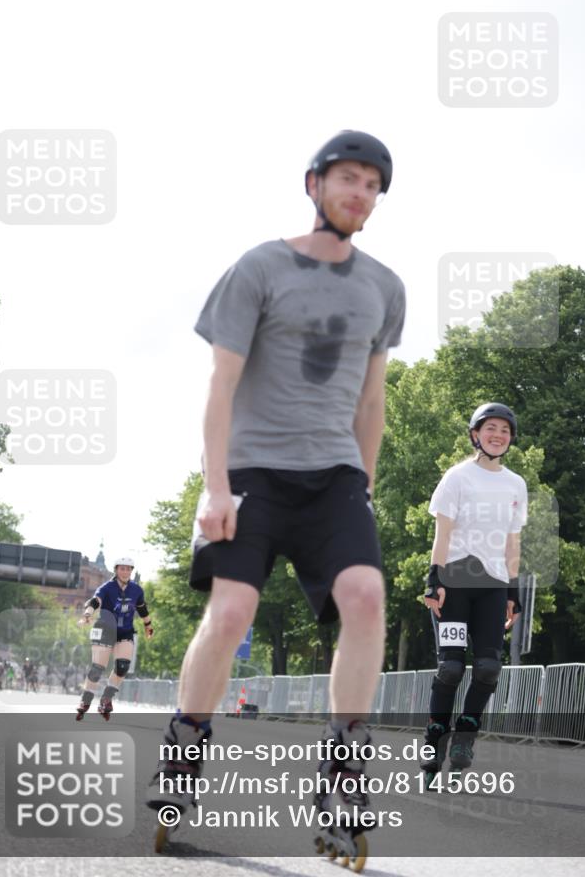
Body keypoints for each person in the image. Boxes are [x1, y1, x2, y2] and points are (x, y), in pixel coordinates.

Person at [147, 130, 406, 859]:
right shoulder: (259, 266)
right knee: (231, 612)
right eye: (348, 178)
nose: (359, 194)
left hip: (334, 479)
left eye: (372, 185)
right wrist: (214, 487)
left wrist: (364, 487)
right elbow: (220, 384)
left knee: (365, 597)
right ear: (314, 184)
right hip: (253, 472)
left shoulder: (385, 287)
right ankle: (184, 750)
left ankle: (342, 775)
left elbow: (372, 400)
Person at [421, 402, 528, 779]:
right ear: (475, 434)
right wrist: (434, 579)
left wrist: (513, 591)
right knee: (450, 668)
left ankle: (464, 737)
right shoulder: (457, 477)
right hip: (454, 582)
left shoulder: (516, 484)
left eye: (504, 430)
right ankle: (434, 739)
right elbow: (443, 534)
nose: (498, 435)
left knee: (488, 668)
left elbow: (512, 541)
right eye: (490, 428)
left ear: (510, 438)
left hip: (493, 586)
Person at [76, 557, 153, 720]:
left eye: (128, 569)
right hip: (105, 629)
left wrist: (148, 625)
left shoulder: (136, 590)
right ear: (116, 570)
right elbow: (95, 601)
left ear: (131, 571)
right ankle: (86, 699)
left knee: (122, 666)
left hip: (125, 631)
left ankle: (106, 699)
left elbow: (142, 608)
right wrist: (87, 615)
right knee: (97, 669)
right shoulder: (106, 588)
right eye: (122, 568)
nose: (125, 572)